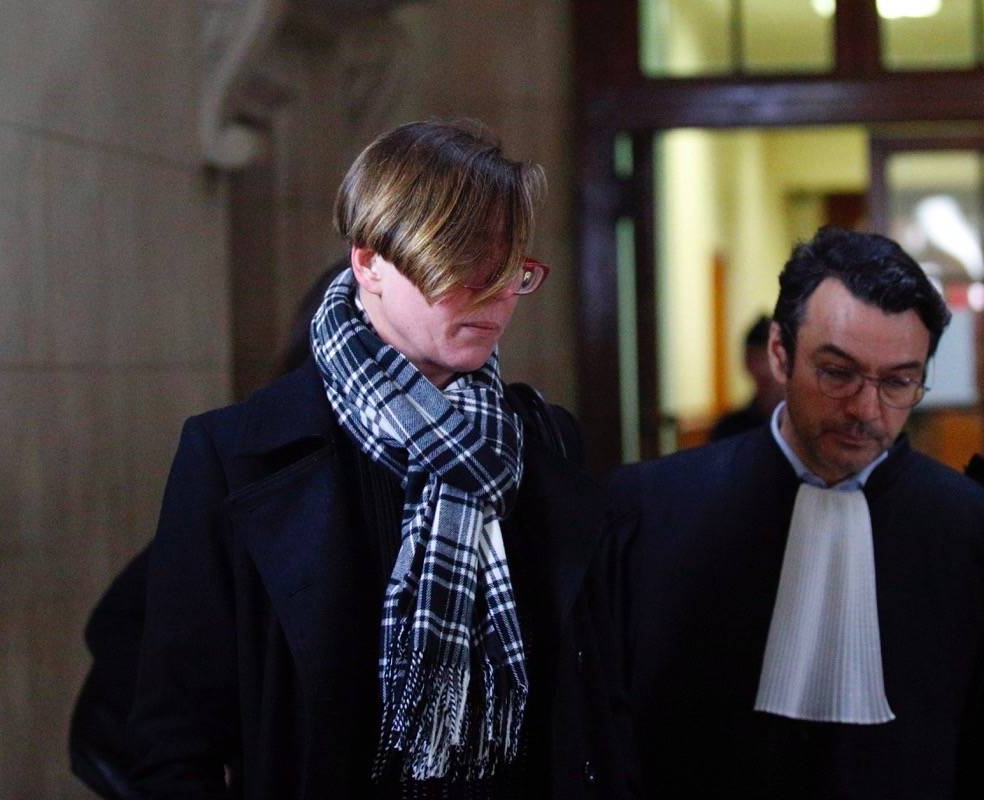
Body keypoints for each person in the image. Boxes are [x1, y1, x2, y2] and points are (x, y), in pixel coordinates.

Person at [129, 121, 636, 799]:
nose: (496, 292)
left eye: (510, 265)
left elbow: (592, 705)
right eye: (461, 262)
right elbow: (172, 744)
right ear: (368, 263)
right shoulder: (235, 454)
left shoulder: (543, 440)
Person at [609, 227, 984, 798]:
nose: (867, 409)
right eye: (837, 373)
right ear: (778, 353)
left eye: (899, 382)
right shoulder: (648, 513)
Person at [708, 314, 783, 441]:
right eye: (753, 359)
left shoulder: (800, 423)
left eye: (764, 358)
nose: (761, 367)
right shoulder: (731, 427)